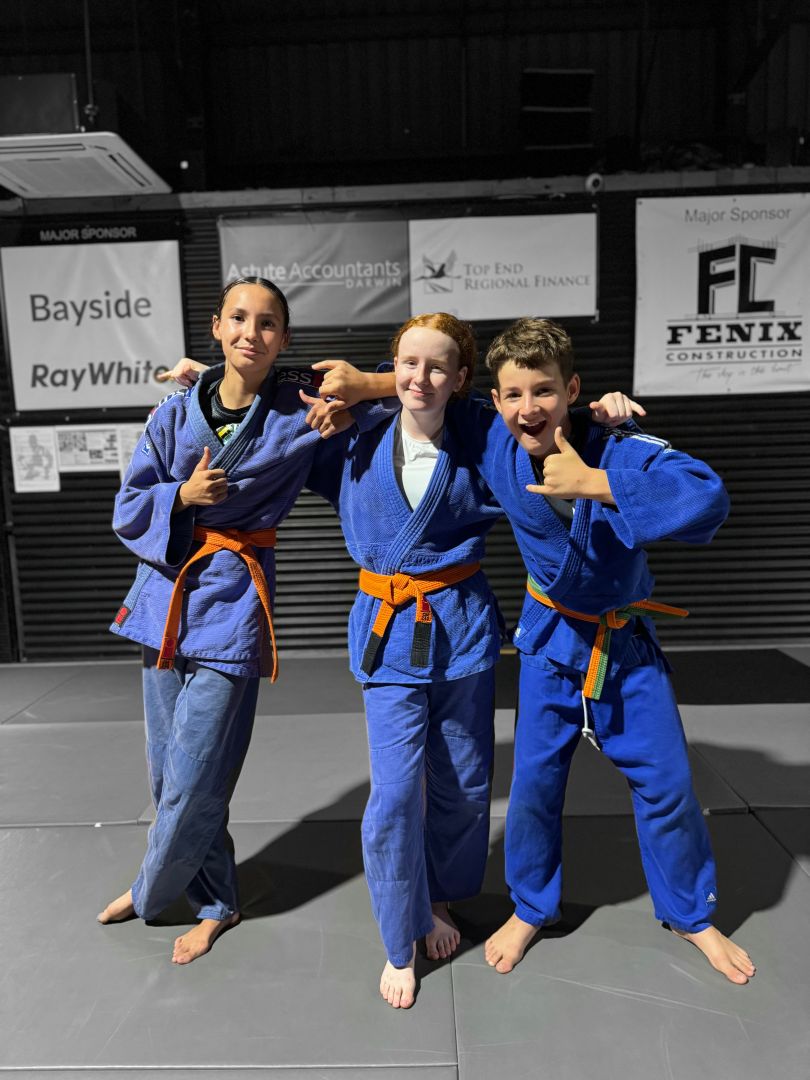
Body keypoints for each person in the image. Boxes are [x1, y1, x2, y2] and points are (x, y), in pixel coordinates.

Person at [97, 276, 384, 964]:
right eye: (238, 318)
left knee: (200, 769)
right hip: (164, 600)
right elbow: (129, 506)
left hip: (232, 605)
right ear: (217, 327)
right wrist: (181, 496)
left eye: (267, 323)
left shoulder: (300, 411)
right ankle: (217, 900)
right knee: (168, 772)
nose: (251, 332)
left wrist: (360, 394)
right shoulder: (174, 414)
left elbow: (410, 401)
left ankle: (150, 886)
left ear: (284, 339)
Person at [465, 317, 755, 985]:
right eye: (514, 395)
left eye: (544, 390)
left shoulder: (619, 448)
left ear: (572, 391)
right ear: (496, 399)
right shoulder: (493, 439)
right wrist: (363, 383)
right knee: (534, 785)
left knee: (668, 784)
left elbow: (707, 496)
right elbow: (425, 385)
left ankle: (690, 914)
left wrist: (596, 481)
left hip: (623, 644)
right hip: (547, 642)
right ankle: (531, 906)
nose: (529, 409)